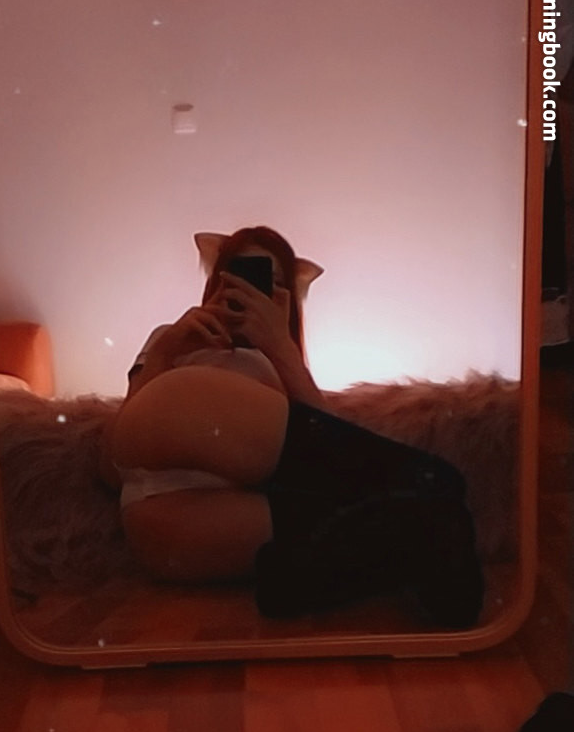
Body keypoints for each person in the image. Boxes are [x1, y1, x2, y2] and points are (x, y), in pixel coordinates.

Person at [100, 226, 483, 627]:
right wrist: (165, 354)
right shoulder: (172, 339)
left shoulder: (278, 364)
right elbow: (114, 459)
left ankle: (318, 576)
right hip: (153, 483)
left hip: (187, 529)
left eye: (273, 285)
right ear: (216, 283)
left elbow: (331, 458)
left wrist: (280, 346)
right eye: (240, 275)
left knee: (427, 517)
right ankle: (432, 481)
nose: (252, 292)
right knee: (434, 485)